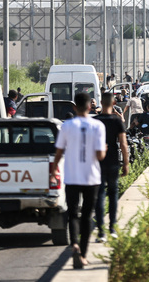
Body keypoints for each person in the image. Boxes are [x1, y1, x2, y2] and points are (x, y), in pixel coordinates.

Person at [51, 92, 107, 269]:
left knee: (73, 213)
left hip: (72, 176)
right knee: (87, 216)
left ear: (74, 107)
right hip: (91, 178)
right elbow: (99, 156)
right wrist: (104, 149)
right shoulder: (98, 126)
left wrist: (52, 171)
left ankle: (74, 243)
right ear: (90, 106)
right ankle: (83, 254)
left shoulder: (67, 126)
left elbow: (58, 152)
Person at [93, 93, 129, 243]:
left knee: (99, 195)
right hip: (114, 162)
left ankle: (101, 232)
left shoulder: (94, 121)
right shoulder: (117, 121)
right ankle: (112, 228)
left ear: (101, 102)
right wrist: (126, 163)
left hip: (97, 163)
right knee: (113, 194)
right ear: (114, 102)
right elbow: (123, 144)